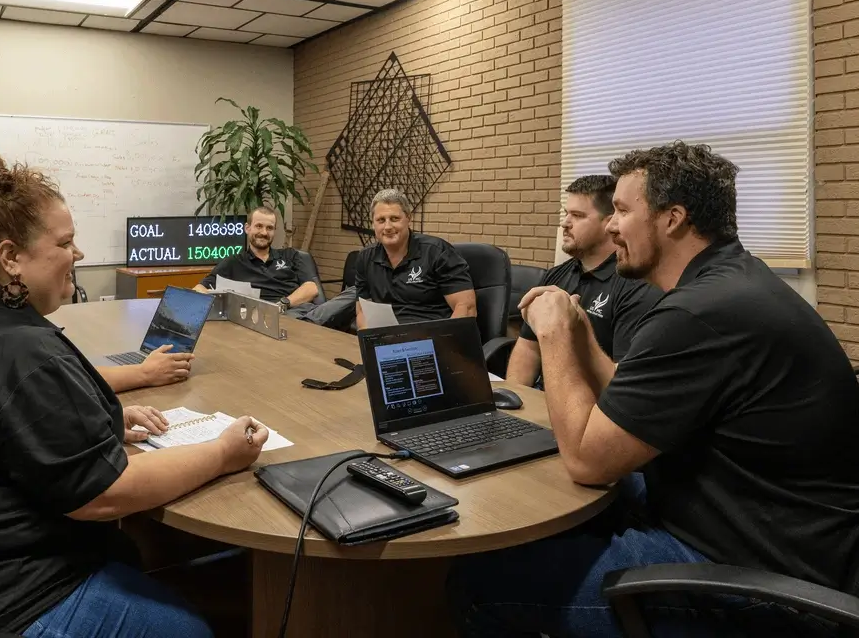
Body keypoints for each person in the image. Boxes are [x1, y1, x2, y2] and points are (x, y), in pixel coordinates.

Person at [0, 150, 269, 638]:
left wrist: (101, 419)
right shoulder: (16, 349)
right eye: (65, 242)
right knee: (189, 630)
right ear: (10, 258)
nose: (79, 254)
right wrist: (222, 453)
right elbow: (105, 496)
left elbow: (5, 422)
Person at [448, 141, 859, 637]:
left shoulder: (698, 314)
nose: (612, 226)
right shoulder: (730, 285)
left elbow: (586, 459)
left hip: (754, 582)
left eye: (621, 210)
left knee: (476, 576)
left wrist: (554, 335)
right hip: (759, 528)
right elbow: (635, 397)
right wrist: (581, 337)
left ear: (673, 218)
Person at [505, 175, 661, 388]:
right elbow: (529, 349)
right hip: (543, 399)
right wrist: (513, 400)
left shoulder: (635, 285)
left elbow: (623, 386)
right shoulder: (555, 276)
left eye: (577, 216)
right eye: (565, 213)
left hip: (594, 407)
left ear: (609, 223)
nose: (565, 223)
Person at [354, 188, 476, 329]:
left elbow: (466, 308)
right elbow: (363, 311)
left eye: (395, 219)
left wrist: (444, 343)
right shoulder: (365, 257)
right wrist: (370, 341)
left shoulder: (437, 251)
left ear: (408, 218)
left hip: (433, 338)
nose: (387, 227)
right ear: (373, 224)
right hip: (389, 341)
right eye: (381, 220)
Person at [194, 206, 320, 316]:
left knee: (340, 300)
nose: (264, 233)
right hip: (278, 319)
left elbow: (312, 288)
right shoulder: (234, 262)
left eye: (269, 228)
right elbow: (198, 288)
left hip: (307, 311)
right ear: (247, 228)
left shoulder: (290, 255)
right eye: (259, 226)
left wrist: (283, 304)